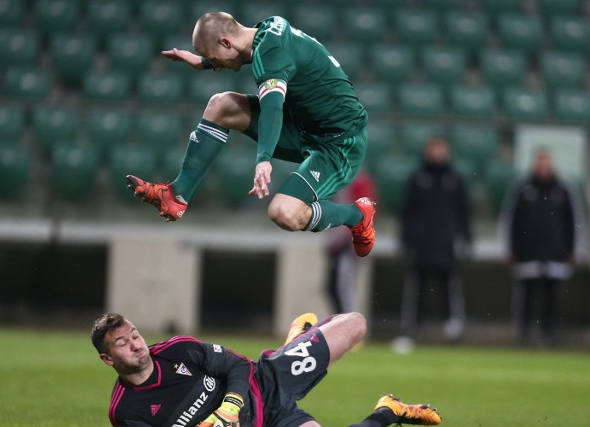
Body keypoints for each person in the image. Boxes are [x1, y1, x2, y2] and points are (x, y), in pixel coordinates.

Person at [126, 12, 377, 257]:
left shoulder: (270, 54)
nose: (217, 66)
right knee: (221, 105)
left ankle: (357, 215)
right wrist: (201, 62)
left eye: (213, 58)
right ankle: (176, 195)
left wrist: (264, 159)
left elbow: (272, 108)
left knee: (284, 212)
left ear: (226, 42)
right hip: (304, 125)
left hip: (339, 144)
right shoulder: (266, 30)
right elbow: (254, 54)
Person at [92, 311, 441, 427]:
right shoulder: (124, 411)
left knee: (356, 325)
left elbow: (239, 366)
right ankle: (388, 410)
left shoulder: (177, 349)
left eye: (135, 334)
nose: (137, 345)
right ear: (109, 359)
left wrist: (228, 407)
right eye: (123, 343)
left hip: (268, 380)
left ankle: (298, 341)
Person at [500, 149, 586, 346]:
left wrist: (574, 251)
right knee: (525, 296)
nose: (544, 166)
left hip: (555, 253)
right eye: (540, 161)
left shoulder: (565, 188)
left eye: (547, 161)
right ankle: (523, 333)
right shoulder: (521, 188)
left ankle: (549, 334)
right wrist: (509, 249)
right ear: (535, 163)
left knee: (552, 297)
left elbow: (576, 221)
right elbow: (510, 219)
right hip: (527, 253)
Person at [397, 137, 471, 347]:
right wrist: (406, 239)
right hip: (422, 243)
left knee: (449, 286)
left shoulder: (455, 178)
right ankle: (411, 329)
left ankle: (453, 328)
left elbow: (464, 211)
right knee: (416, 288)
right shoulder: (418, 177)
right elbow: (408, 211)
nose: (437, 153)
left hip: (446, 242)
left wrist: (466, 237)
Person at [326, 169, 378, 314]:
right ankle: (338, 325)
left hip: (349, 244)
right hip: (337, 244)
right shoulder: (337, 179)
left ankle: (351, 325)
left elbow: (365, 214)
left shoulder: (359, 181)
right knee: (333, 287)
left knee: (343, 288)